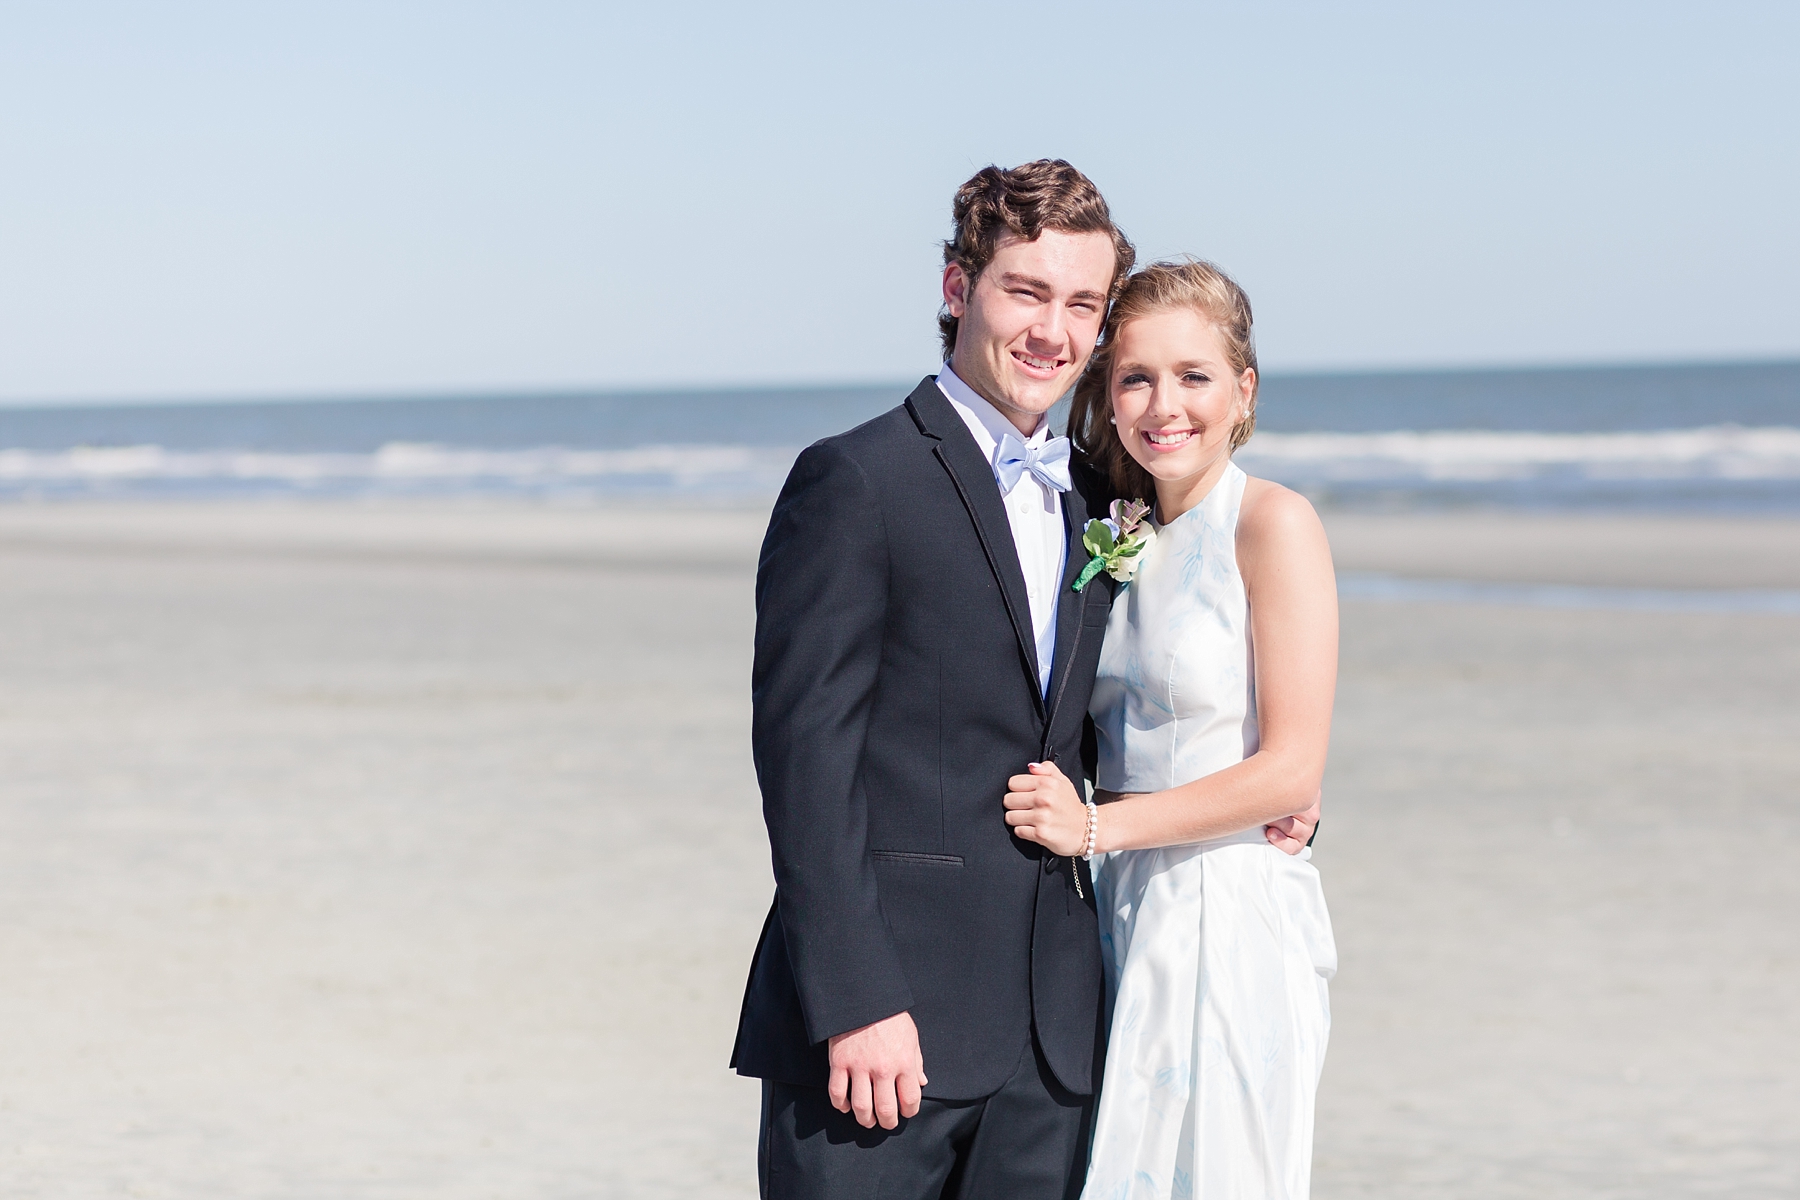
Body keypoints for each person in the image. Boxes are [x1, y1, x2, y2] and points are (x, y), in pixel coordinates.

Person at [1004, 259, 1339, 1198]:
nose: (1164, 404)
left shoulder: (1273, 524)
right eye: (1136, 376)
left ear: (1244, 390)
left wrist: (1098, 827)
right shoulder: (1119, 529)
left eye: (1193, 375)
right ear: (1107, 394)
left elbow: (1292, 767)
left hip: (1227, 917)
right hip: (1119, 914)